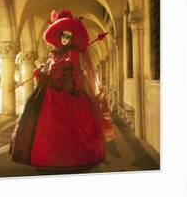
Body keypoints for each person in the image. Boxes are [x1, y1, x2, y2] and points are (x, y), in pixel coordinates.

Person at [10, 9, 114, 171]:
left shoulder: (73, 55)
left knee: (66, 130)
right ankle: (47, 157)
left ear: (72, 37)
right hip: (49, 96)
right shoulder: (55, 55)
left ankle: (63, 159)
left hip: (65, 96)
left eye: (68, 36)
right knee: (46, 130)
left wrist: (53, 68)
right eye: (63, 36)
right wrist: (41, 73)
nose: (65, 39)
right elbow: (49, 75)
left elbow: (69, 77)